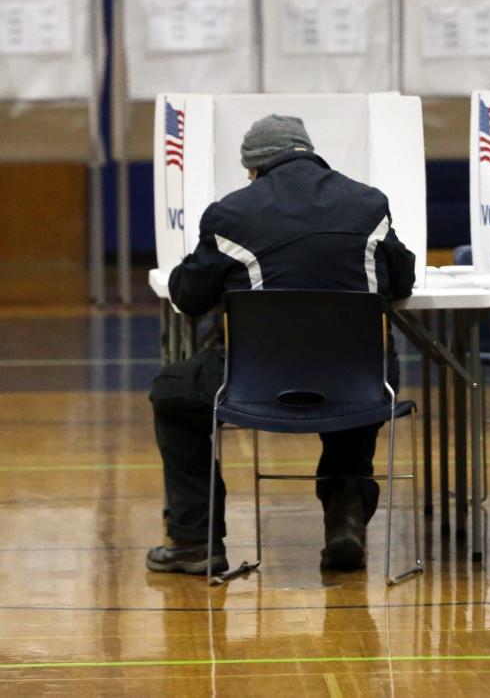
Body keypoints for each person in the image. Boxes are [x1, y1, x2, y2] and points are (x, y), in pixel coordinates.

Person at [146, 114, 415, 576]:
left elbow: (188, 297)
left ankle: (196, 542)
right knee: (352, 381)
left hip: (255, 386)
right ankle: (345, 518)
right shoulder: (369, 205)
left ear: (254, 168)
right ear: (311, 154)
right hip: (362, 382)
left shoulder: (230, 214)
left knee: (171, 394)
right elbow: (402, 280)